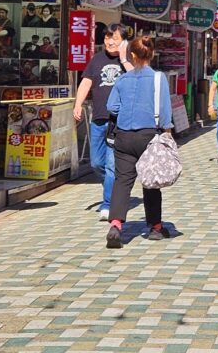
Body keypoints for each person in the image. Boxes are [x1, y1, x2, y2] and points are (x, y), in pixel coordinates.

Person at [104, 36, 173, 249]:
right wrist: (168, 131)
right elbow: (164, 110)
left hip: (124, 136)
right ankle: (156, 227)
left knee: (122, 180)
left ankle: (116, 225)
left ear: (132, 55)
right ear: (151, 54)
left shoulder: (123, 79)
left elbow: (111, 107)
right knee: (150, 180)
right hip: (148, 135)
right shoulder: (158, 78)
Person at [73, 24, 133, 221]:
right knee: (96, 163)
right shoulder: (97, 59)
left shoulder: (130, 59)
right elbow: (86, 82)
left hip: (119, 122)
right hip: (98, 119)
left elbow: (136, 79)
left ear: (124, 40)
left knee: (110, 164)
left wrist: (124, 58)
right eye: (108, 37)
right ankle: (112, 186)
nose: (110, 41)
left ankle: (108, 204)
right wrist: (77, 104)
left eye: (115, 38)